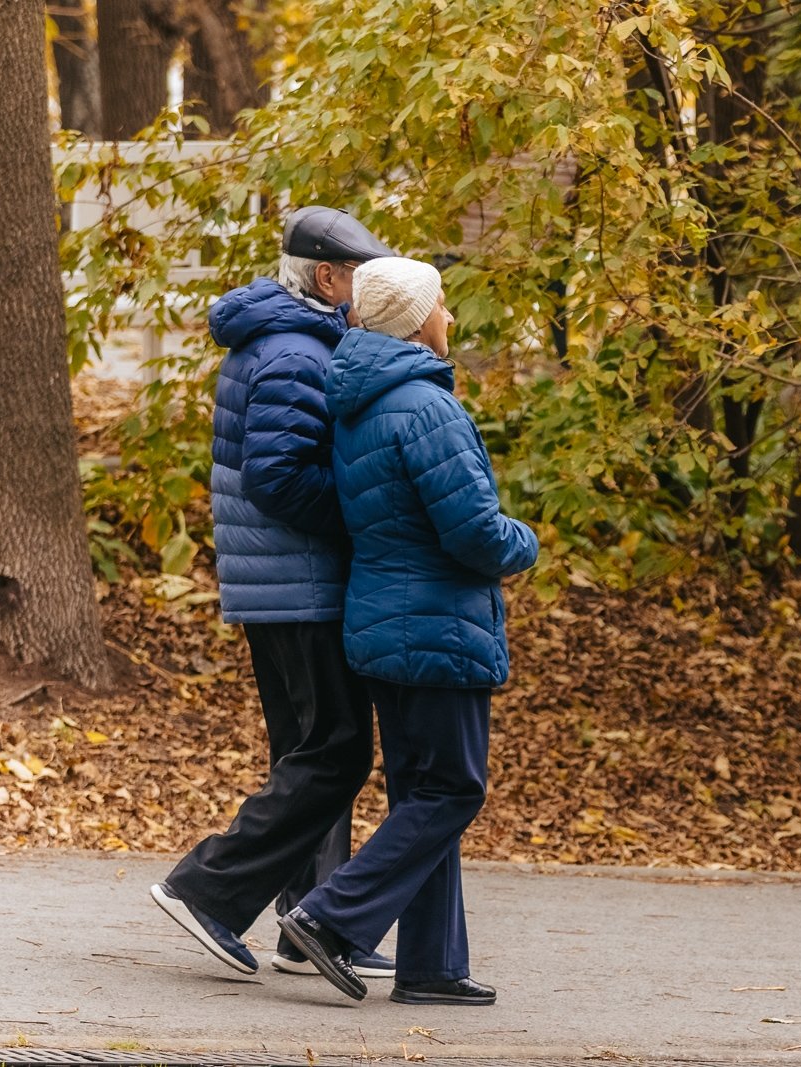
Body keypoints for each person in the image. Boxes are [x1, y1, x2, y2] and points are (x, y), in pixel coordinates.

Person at [277, 256, 538, 1006]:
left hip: (384, 621)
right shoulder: (426, 406)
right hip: (435, 625)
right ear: (418, 318)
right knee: (452, 789)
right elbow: (474, 533)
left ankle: (432, 964)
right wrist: (525, 538)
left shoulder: (362, 399)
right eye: (443, 306)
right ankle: (328, 918)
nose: (450, 319)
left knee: (421, 795)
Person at [150, 208, 399, 981]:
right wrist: (360, 509)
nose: (370, 289)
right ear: (327, 278)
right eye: (362, 275)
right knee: (337, 749)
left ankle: (309, 923)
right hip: (301, 582)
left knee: (309, 750)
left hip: (279, 581)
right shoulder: (294, 351)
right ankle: (209, 890)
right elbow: (281, 476)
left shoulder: (288, 338)